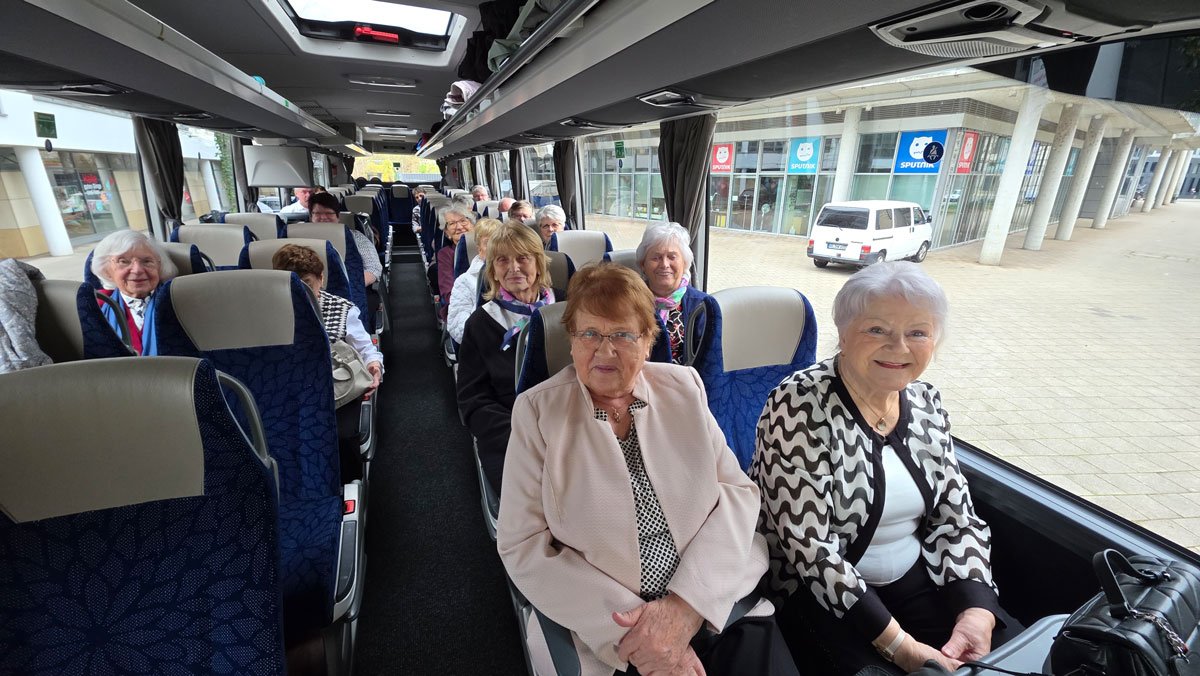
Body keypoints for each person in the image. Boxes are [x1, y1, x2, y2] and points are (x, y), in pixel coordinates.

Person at [498, 263, 799, 676]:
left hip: (716, 601)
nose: (604, 351)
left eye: (622, 334)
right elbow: (522, 544)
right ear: (570, 342)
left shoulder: (684, 388)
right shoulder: (537, 412)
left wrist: (685, 607)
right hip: (607, 630)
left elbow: (737, 493)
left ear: (647, 341)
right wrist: (643, 635)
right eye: (589, 334)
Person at [752, 261, 1021, 675]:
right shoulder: (797, 405)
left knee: (1011, 658)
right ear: (843, 334)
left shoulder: (927, 403)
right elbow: (810, 550)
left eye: (918, 332)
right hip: (819, 593)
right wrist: (900, 645)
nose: (899, 347)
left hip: (918, 575)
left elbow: (956, 516)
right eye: (876, 329)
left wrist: (976, 609)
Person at [456, 223, 558, 495]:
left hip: (570, 426)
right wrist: (523, 437)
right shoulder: (480, 323)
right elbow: (473, 401)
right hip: (511, 434)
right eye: (502, 260)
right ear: (493, 271)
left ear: (538, 264)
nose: (513, 268)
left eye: (523, 258)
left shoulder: (566, 312)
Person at [271, 244, 382, 393]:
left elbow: (364, 348)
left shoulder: (341, 309)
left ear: (321, 279)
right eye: (292, 285)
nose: (299, 291)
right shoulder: (267, 311)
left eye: (307, 283)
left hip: (330, 388)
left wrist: (373, 364)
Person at [91, 230, 178, 355]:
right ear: (106, 270)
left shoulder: (179, 301)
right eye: (124, 261)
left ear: (160, 267)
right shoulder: (97, 306)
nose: (137, 270)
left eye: (147, 261)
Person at [635, 222, 709, 365]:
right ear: (643, 265)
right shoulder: (630, 301)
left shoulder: (702, 306)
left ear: (685, 263)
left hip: (686, 383)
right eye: (655, 258)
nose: (664, 264)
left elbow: (708, 362)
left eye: (672, 257)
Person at [308, 191, 383, 287]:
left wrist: (351, 285)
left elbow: (374, 267)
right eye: (317, 213)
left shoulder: (355, 237)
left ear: (338, 216)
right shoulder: (300, 238)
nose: (323, 217)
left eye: (329, 213)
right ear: (311, 217)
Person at [447, 217, 500, 344]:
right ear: (479, 248)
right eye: (488, 243)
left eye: (499, 242)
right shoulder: (465, 281)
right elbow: (458, 330)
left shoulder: (516, 276)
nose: (494, 248)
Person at [436, 205, 475, 321]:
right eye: (452, 223)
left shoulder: (488, 247)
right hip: (461, 306)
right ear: (447, 232)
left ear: (472, 224)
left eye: (463, 221)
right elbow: (448, 292)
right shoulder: (445, 254)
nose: (459, 227)